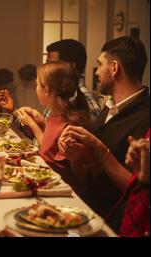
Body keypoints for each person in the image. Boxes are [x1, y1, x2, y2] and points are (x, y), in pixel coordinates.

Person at [58, 36, 150, 217]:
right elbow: (91, 172)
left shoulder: (146, 116)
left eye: (100, 65)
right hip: (86, 209)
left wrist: (99, 149)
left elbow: (137, 189)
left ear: (115, 68)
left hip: (113, 220)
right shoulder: (109, 106)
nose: (96, 72)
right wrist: (76, 156)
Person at [59, 126, 149, 236]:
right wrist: (76, 156)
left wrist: (97, 148)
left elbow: (134, 185)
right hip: (99, 212)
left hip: (117, 216)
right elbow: (83, 176)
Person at [15, 62, 91, 190]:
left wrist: (32, 124)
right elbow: (51, 147)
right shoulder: (55, 116)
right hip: (50, 183)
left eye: (37, 84)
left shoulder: (71, 125)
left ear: (47, 91)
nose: (36, 88)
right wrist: (42, 123)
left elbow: (49, 154)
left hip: (62, 189)